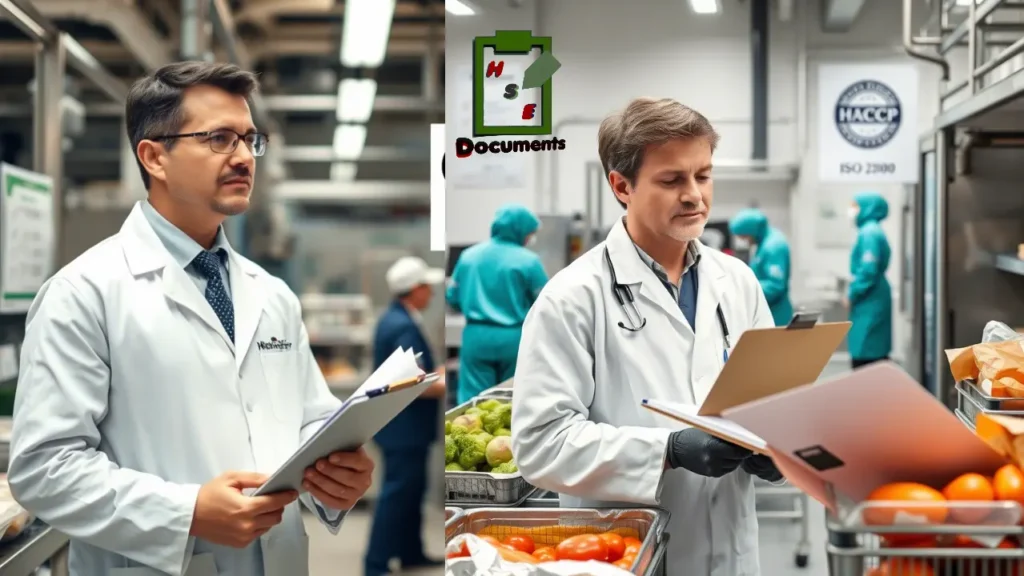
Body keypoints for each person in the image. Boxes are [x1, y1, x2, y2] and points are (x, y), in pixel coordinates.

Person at [8, 61, 374, 576]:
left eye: (250, 139)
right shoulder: (84, 292)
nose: (245, 156)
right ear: (155, 156)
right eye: (220, 138)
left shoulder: (272, 295)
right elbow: (45, 469)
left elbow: (309, 420)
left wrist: (337, 477)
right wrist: (187, 513)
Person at [511, 98, 783, 576]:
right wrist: (668, 451)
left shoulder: (736, 280)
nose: (695, 196)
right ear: (621, 186)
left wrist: (781, 448)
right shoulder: (572, 298)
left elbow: (771, 401)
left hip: (730, 548)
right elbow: (540, 445)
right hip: (621, 551)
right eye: (672, 180)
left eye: (703, 175)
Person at [365, 256, 447, 576]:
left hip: (407, 428)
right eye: (428, 287)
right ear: (415, 290)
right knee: (397, 496)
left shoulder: (398, 319)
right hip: (403, 428)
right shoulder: (402, 325)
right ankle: (376, 564)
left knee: (412, 492)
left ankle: (410, 552)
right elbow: (410, 382)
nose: (432, 294)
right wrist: (444, 379)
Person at [446, 204, 548, 403]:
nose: (530, 238)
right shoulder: (529, 261)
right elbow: (546, 302)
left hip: (476, 337)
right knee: (513, 398)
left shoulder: (469, 256)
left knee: (473, 401)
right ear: (521, 230)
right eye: (530, 233)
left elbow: (453, 298)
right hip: (515, 339)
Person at [844, 192, 892, 369]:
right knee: (869, 347)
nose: (851, 211)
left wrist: (852, 294)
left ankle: (870, 394)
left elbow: (868, 270)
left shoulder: (869, 233)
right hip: (872, 297)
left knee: (868, 353)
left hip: (870, 298)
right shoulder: (871, 230)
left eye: (855, 206)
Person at [728, 208, 794, 327]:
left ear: (752, 230)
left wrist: (742, 291)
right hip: (766, 311)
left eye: (744, 236)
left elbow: (775, 285)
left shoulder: (774, 246)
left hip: (776, 314)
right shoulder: (763, 243)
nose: (744, 241)